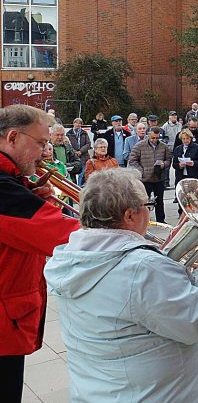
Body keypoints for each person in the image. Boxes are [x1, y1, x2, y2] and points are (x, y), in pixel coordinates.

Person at [43, 168, 198, 402]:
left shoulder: (70, 255)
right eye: (147, 206)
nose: (149, 213)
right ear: (129, 216)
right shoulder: (144, 268)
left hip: (99, 389)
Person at [0, 105, 80, 402]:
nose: (46, 152)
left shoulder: (12, 182)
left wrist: (32, 198)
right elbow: (65, 237)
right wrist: (120, 226)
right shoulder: (4, 188)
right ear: (13, 138)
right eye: (41, 143)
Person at [128, 127, 171, 224]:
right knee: (144, 201)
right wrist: (141, 170)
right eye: (153, 138)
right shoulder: (140, 145)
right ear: (148, 136)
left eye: (156, 138)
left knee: (159, 200)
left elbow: (168, 159)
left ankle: (161, 220)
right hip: (145, 178)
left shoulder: (164, 146)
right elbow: (132, 160)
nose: (155, 140)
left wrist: (164, 164)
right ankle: (144, 220)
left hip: (159, 177)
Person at [66, 119, 91, 186]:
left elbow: (88, 143)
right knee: (74, 174)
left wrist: (81, 151)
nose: (78, 124)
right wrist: (74, 152)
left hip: (84, 156)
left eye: (80, 123)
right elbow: (67, 144)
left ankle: (80, 187)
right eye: (76, 123)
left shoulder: (84, 133)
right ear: (73, 123)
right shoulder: (69, 133)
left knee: (82, 174)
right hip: (73, 156)